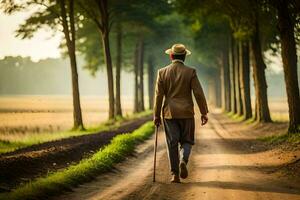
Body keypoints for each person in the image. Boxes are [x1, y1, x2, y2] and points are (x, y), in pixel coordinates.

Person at [153, 43, 209, 183]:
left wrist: (156, 115)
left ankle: (175, 175)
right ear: (184, 56)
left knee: (172, 143)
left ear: (171, 56)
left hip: (169, 113)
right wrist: (203, 112)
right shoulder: (191, 72)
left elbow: (158, 96)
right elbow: (198, 93)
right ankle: (183, 159)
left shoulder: (162, 72)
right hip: (187, 112)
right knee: (187, 141)